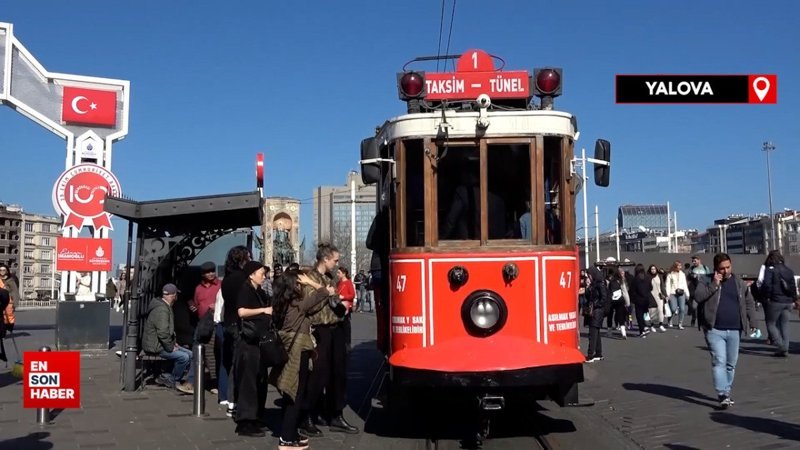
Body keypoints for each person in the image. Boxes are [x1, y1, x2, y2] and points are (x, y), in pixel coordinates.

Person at [270, 269, 336, 449]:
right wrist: (311, 282)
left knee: (292, 393)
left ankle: (291, 433)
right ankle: (286, 439)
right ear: (293, 286)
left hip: (289, 348)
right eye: (299, 284)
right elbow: (323, 292)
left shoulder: (282, 303)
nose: (301, 286)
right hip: (298, 351)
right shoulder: (297, 304)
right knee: (295, 393)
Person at [302, 243, 358, 436]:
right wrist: (327, 293)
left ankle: (336, 414)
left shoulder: (329, 278)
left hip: (336, 328)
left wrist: (334, 298)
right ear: (325, 259)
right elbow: (310, 306)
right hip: (320, 330)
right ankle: (308, 415)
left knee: (338, 373)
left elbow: (336, 303)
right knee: (318, 373)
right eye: (335, 260)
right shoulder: (309, 278)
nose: (337, 264)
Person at [694, 253, 756, 409]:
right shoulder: (705, 280)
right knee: (719, 361)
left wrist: (753, 321)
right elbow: (698, 297)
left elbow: (749, 302)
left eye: (728, 267)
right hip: (714, 328)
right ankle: (722, 393)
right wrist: (714, 284)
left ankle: (726, 392)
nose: (726, 271)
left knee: (731, 364)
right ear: (716, 269)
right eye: (722, 269)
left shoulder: (739, 283)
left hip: (735, 328)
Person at [233, 261, 273, 437]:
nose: (263, 276)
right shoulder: (245, 290)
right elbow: (241, 312)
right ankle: (245, 421)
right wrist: (264, 310)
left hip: (259, 341)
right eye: (260, 273)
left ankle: (256, 415)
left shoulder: (260, 292)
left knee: (260, 380)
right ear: (251, 274)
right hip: (248, 342)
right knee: (248, 381)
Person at [141, 283, 194, 394]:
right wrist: (170, 346)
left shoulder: (164, 306)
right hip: (156, 346)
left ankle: (166, 375)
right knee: (184, 357)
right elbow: (163, 333)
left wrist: (173, 343)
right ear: (173, 296)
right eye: (176, 295)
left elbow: (166, 332)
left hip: (159, 344)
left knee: (190, 354)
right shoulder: (162, 310)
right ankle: (173, 379)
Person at [220, 245, 252, 417]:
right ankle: (239, 402)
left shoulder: (227, 278)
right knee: (243, 365)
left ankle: (232, 401)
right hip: (241, 324)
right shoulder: (244, 279)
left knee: (234, 363)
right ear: (242, 259)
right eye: (248, 257)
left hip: (229, 324)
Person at [760, 250, 797, 357]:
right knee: (784, 325)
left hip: (775, 301)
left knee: (770, 324)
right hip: (788, 301)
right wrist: (794, 299)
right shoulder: (789, 271)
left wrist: (766, 297)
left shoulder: (770, 270)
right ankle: (785, 348)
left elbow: (766, 285)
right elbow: (793, 287)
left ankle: (782, 347)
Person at [191, 261, 221, 394]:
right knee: (204, 352)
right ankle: (210, 381)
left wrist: (217, 307)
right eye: (207, 272)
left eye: (212, 271)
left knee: (213, 353)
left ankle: (215, 381)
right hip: (203, 323)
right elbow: (197, 303)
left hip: (216, 322)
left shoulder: (220, 285)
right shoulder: (198, 288)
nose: (210, 274)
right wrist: (194, 307)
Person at [584, 267, 608, 362]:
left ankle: (590, 355)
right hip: (595, 311)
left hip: (597, 311)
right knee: (596, 333)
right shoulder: (594, 284)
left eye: (589, 274)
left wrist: (596, 304)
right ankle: (598, 353)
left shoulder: (600, 284)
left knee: (592, 333)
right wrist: (588, 287)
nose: (588, 277)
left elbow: (604, 298)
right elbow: (588, 296)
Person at [630, 264, 653, 337]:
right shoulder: (648, 278)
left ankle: (642, 330)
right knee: (645, 313)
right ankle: (646, 326)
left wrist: (633, 299)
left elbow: (632, 290)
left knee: (639, 315)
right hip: (646, 299)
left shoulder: (635, 279)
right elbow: (651, 288)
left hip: (638, 299)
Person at [336, 267, 356, 352]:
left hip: (346, 306)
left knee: (346, 325)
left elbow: (352, 294)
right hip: (340, 305)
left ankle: (347, 343)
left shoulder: (348, 283)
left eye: (339, 273)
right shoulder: (338, 283)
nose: (337, 274)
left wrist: (343, 297)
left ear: (344, 273)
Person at [666, 261, 690, 329]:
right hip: (673, 293)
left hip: (681, 293)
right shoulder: (670, 274)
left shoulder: (682, 274)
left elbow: (685, 284)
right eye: (679, 266)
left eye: (680, 266)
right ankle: (670, 320)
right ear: (675, 266)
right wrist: (668, 295)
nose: (680, 267)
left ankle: (680, 323)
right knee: (673, 309)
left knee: (682, 309)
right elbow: (668, 285)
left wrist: (687, 294)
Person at [647, 265, 667, 333]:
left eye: (654, 269)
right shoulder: (648, 277)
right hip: (651, 296)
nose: (653, 270)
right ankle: (652, 325)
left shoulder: (660, 276)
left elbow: (662, 286)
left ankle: (661, 324)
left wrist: (665, 295)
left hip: (659, 296)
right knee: (652, 311)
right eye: (652, 269)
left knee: (660, 310)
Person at [0, 264, 18, 332]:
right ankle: (3, 329)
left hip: (9, 300)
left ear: (7, 271)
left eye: (4, 270)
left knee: (9, 314)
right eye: (0, 270)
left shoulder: (11, 280)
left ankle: (9, 326)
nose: (2, 271)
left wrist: (15, 303)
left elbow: (15, 291)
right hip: (0, 300)